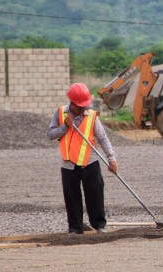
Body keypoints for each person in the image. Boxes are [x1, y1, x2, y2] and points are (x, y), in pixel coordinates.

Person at [47, 83, 117, 235]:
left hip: (90, 162)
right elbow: (51, 135)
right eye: (80, 106)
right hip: (69, 164)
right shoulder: (60, 113)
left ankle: (99, 225)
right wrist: (64, 127)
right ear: (72, 103)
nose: (83, 109)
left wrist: (111, 158)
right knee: (72, 198)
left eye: (85, 106)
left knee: (95, 194)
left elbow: (103, 138)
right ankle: (75, 228)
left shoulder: (91, 115)